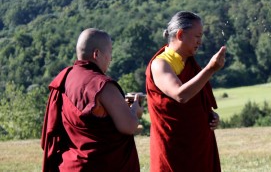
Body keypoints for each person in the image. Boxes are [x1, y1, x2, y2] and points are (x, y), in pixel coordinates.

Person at [41, 28, 143, 172]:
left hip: (70, 165)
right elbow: (129, 126)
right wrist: (135, 111)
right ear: (97, 54)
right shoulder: (103, 85)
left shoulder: (65, 78)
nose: (111, 58)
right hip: (100, 166)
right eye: (110, 52)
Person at [145, 11, 226, 172]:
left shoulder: (188, 62)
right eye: (197, 36)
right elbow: (181, 95)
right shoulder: (160, 64)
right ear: (181, 34)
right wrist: (210, 69)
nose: (200, 42)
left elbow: (197, 99)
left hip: (199, 144)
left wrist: (209, 114)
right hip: (174, 147)